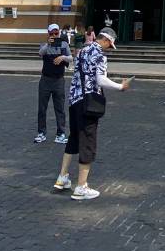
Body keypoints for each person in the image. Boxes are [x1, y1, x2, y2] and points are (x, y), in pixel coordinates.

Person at [53, 27, 130, 201]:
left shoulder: (82, 51)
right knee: (88, 141)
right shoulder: (100, 56)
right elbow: (100, 80)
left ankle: (62, 177)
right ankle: (81, 186)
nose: (109, 48)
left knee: (74, 138)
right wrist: (120, 86)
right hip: (89, 103)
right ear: (106, 40)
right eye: (110, 45)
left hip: (74, 100)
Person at [35, 24, 71, 144]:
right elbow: (40, 53)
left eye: (56, 33)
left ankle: (60, 134)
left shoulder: (64, 44)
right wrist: (48, 44)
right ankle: (41, 133)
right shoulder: (45, 45)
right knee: (42, 108)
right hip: (45, 80)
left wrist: (63, 57)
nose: (54, 36)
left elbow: (71, 58)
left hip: (59, 80)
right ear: (48, 33)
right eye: (52, 33)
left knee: (60, 108)